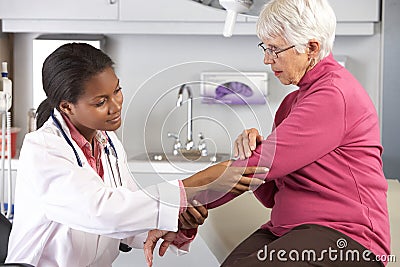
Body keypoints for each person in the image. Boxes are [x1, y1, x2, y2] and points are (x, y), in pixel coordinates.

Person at [5, 43, 267, 267]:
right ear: (66, 107)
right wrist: (196, 184)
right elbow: (104, 212)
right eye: (100, 102)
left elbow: (129, 217)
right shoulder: (42, 150)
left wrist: (179, 222)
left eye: (117, 91)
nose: (116, 105)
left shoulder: (107, 143)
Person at [173, 0, 390, 266]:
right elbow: (269, 192)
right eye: (265, 48)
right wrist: (252, 152)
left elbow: (255, 169)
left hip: (347, 237)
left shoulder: (334, 94)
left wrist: (173, 202)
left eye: (275, 49)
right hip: (287, 228)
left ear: (311, 48)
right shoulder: (292, 103)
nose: (267, 59)